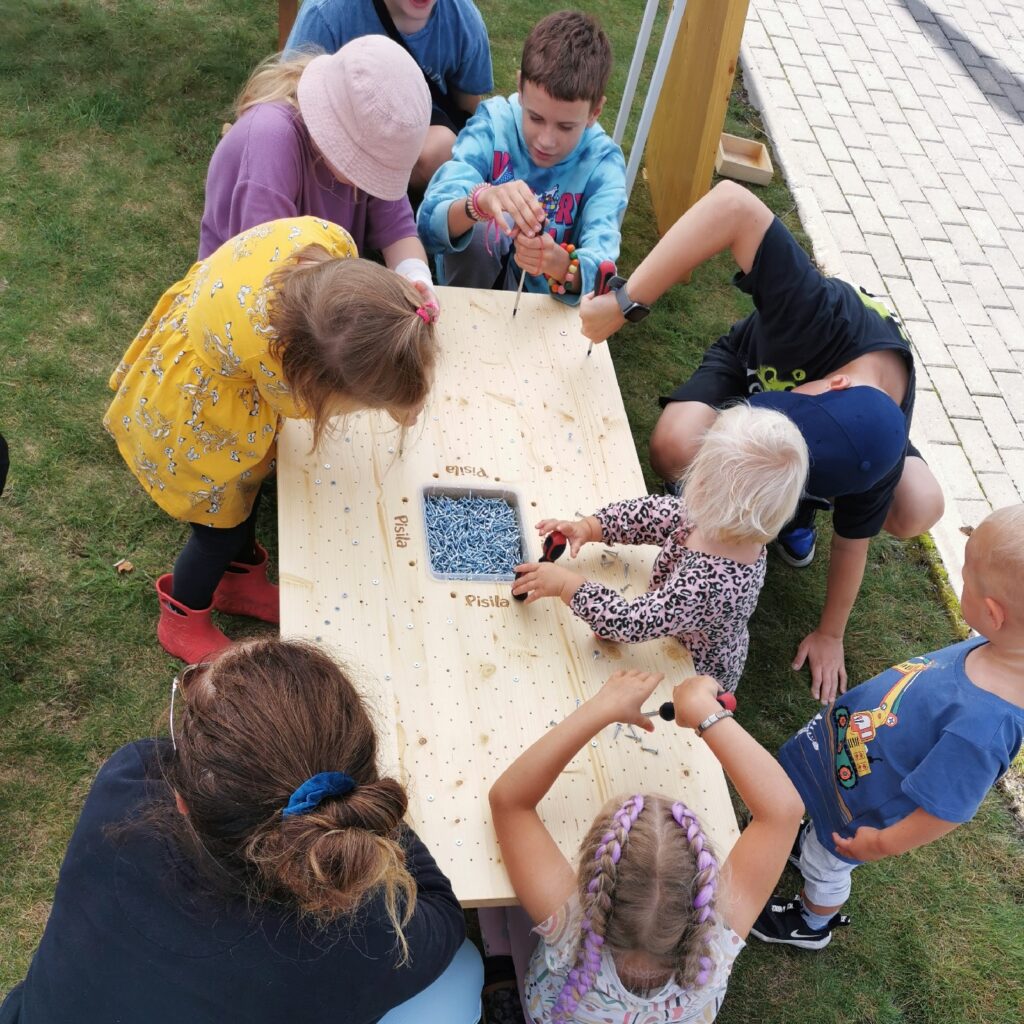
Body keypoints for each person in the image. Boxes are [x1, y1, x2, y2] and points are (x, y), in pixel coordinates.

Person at [580, 180, 945, 704]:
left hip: (855, 435)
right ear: (835, 383)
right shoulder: (813, 313)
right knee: (674, 446)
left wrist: (832, 633)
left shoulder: (879, 453)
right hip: (745, 364)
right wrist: (624, 302)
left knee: (920, 504)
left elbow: (853, 541)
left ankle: (791, 517)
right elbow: (733, 203)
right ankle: (772, 504)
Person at [0, 639, 482, 1024]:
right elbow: (441, 911)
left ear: (184, 802)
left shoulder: (127, 783)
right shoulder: (367, 941)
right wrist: (369, 817)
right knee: (463, 972)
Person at [102, 217, 439, 662]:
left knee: (245, 490)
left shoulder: (331, 242)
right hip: (193, 412)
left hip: (221, 357)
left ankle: (238, 582)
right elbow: (299, 406)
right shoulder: (269, 352)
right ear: (313, 378)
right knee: (215, 530)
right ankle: (182, 617)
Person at [750, 504, 1024, 950]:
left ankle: (812, 921)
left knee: (827, 862)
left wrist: (879, 843)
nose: (962, 574)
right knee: (812, 811)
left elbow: (944, 810)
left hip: (861, 805)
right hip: (852, 751)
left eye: (968, 574)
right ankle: (804, 833)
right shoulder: (997, 645)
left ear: (994, 613)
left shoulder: (985, 728)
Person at [488, 669, 804, 1022]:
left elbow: (509, 801)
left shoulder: (570, 933)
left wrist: (601, 708)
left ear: (592, 878)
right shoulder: (716, 948)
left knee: (498, 887)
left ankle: (498, 968)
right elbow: (783, 812)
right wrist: (706, 712)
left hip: (549, 1011)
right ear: (708, 890)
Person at [512, 403, 808, 692]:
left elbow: (630, 623)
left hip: (690, 673)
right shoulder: (718, 520)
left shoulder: (708, 584)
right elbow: (648, 515)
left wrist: (568, 585)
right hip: (673, 622)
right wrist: (589, 527)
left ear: (703, 486)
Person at [200, 39, 438, 307]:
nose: (372, 179)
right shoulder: (269, 141)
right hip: (242, 306)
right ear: (338, 138)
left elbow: (399, 232)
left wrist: (415, 279)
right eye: (371, 168)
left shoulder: (367, 132)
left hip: (317, 299)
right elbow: (270, 278)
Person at [417, 9, 626, 303]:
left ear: (595, 112)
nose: (546, 140)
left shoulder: (603, 163)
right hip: (468, 292)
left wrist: (555, 262)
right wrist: (480, 203)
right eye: (536, 117)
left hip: (544, 310)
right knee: (480, 232)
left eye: (566, 126)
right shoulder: (492, 123)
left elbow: (603, 273)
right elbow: (429, 224)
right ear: (520, 88)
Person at [285, 0, 493, 187]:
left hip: (415, 137)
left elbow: (468, 114)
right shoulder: (327, 13)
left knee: (443, 147)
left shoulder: (464, 19)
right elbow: (287, 99)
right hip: (341, 127)